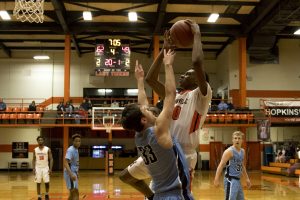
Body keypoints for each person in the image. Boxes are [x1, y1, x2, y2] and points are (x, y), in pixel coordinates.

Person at [121, 54, 193, 199]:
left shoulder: (138, 136)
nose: (147, 108)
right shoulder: (159, 131)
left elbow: (142, 104)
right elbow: (171, 94)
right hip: (176, 195)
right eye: (145, 110)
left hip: (159, 195)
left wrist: (140, 80)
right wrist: (168, 65)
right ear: (143, 119)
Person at [214, 131, 251, 200]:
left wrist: (247, 178)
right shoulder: (229, 151)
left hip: (238, 180)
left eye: (239, 138)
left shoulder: (243, 151)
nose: (237, 140)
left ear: (242, 140)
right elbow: (221, 165)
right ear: (232, 140)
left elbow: (242, 165)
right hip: (230, 179)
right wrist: (216, 178)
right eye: (235, 138)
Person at [32, 136, 53, 200]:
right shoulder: (35, 150)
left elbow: (51, 159)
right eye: (39, 140)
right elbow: (33, 159)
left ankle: (46, 194)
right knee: (38, 183)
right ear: (37, 141)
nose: (40, 141)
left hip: (45, 168)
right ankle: (39, 196)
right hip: (38, 168)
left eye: (41, 140)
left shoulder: (47, 149)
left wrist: (50, 169)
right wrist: (33, 168)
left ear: (43, 141)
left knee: (47, 182)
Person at [64, 133, 81, 200]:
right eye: (76, 141)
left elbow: (74, 163)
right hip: (70, 173)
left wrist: (77, 173)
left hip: (74, 172)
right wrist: (71, 174)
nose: (78, 142)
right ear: (73, 142)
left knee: (75, 192)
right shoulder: (70, 150)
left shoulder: (76, 149)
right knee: (74, 193)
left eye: (79, 141)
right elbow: (65, 163)